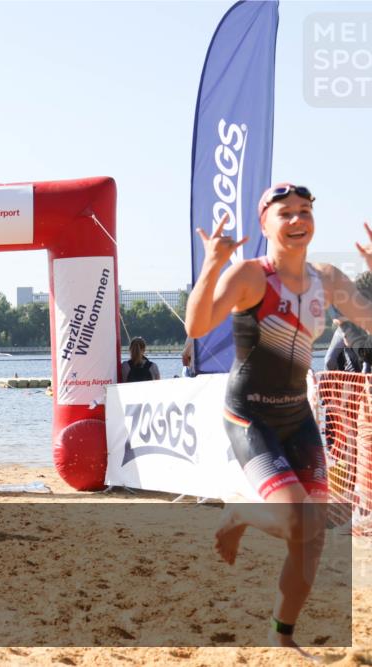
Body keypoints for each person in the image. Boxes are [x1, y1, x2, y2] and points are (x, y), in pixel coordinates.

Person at [186, 183, 372, 653]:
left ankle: (281, 638)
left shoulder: (326, 279)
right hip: (251, 416)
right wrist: (211, 264)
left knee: (312, 539)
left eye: (305, 211)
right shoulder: (250, 275)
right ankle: (240, 512)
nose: (296, 220)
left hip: (297, 417)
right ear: (265, 223)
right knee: (297, 520)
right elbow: (196, 326)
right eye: (285, 213)